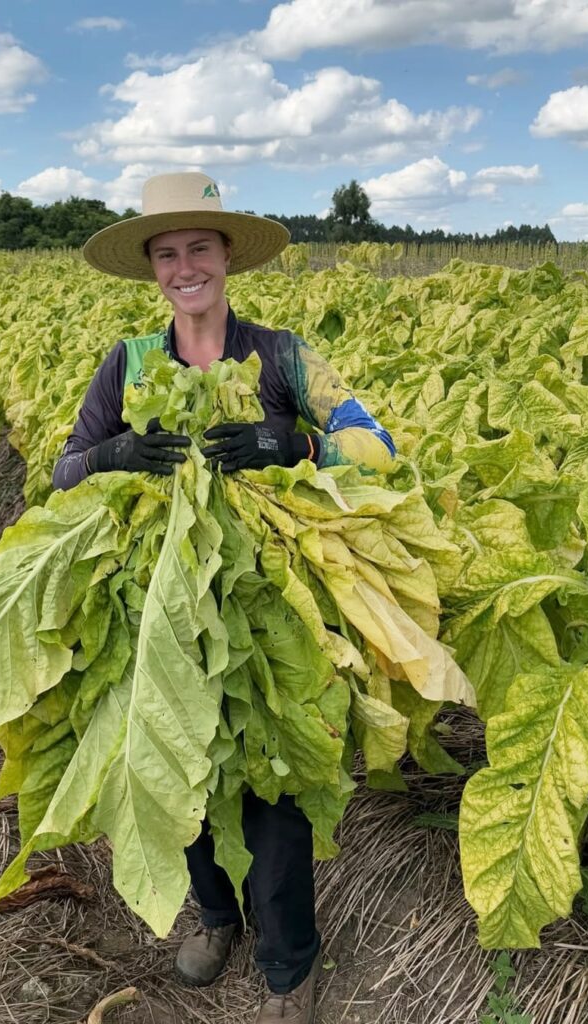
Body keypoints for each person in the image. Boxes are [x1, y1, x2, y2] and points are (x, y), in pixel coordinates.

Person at [53, 171, 396, 1024]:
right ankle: (214, 918)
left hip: (269, 608)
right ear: (152, 269)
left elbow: (376, 444)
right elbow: (63, 473)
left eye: (198, 248)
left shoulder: (282, 356)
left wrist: (292, 445)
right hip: (156, 604)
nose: (184, 268)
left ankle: (288, 967)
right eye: (167, 254)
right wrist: (113, 457)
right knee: (179, 759)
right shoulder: (128, 363)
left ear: (227, 255)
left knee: (275, 782)